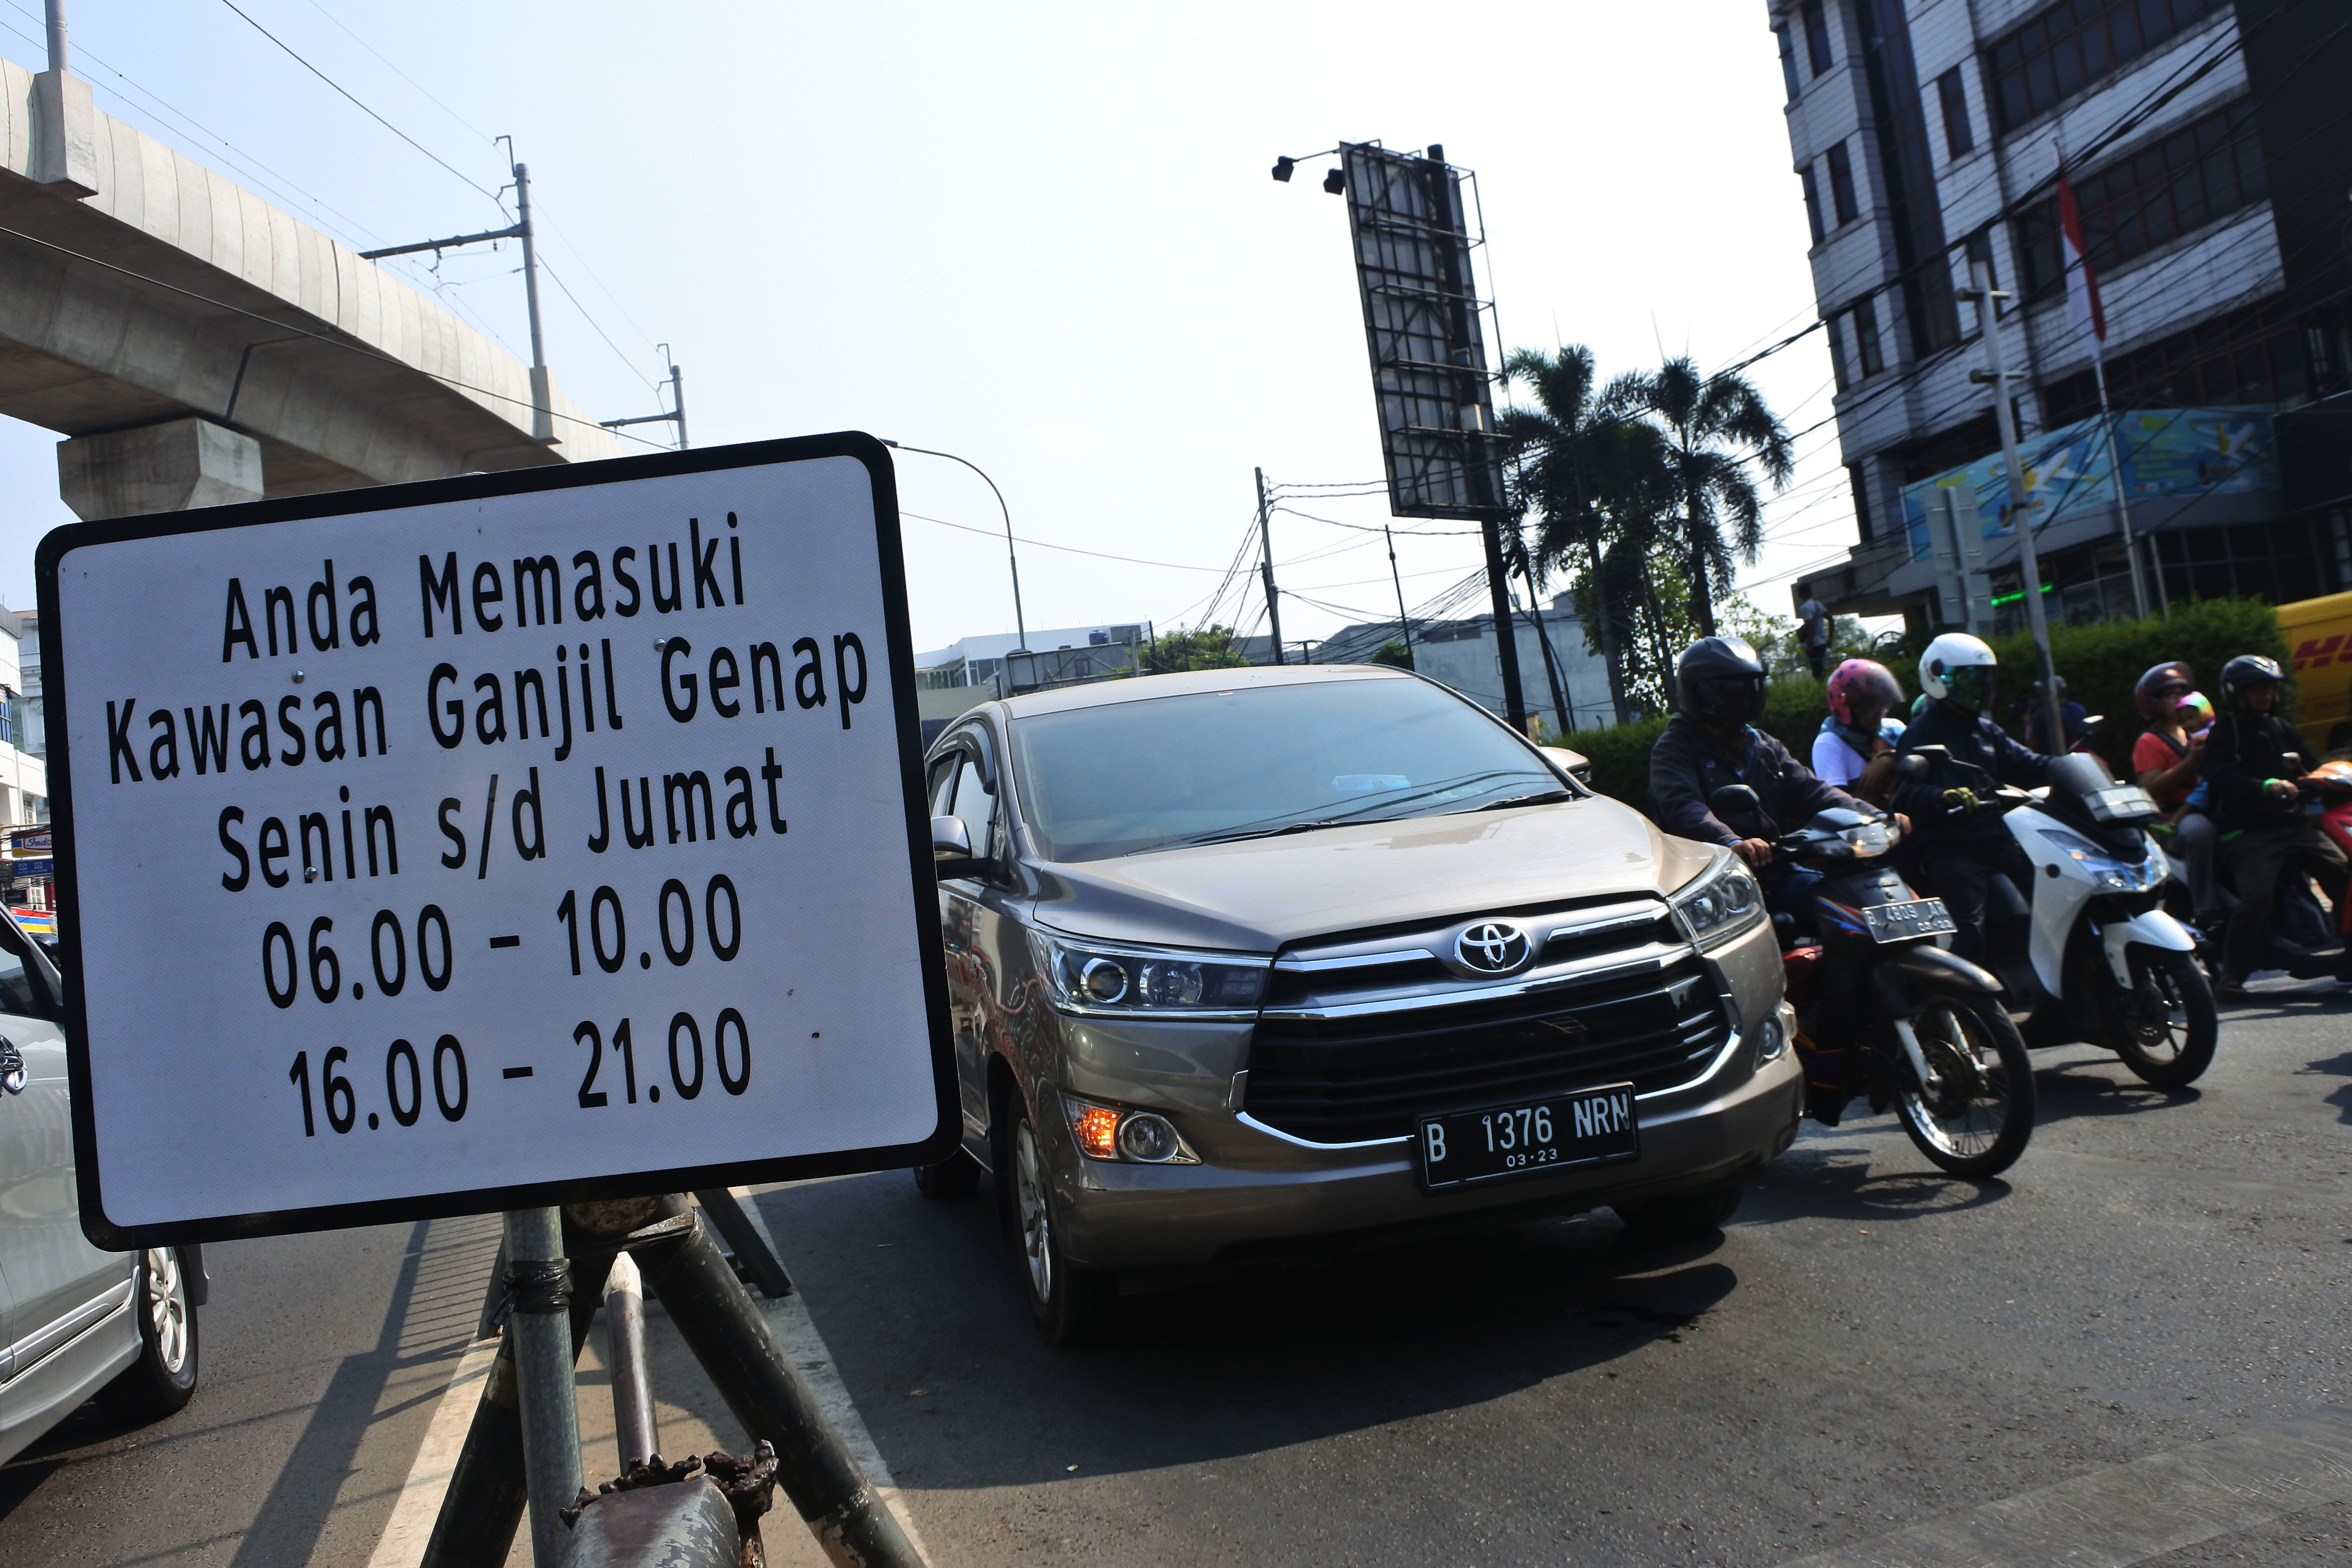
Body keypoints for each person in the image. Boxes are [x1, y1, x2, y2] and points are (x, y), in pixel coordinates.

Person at [1651, 637, 1891, 937]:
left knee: (1853, 907)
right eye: (1733, 689)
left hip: (1776, 870)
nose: (1747, 697)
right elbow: (1685, 807)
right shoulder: (1674, 749)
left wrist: (1876, 817)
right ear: (1701, 694)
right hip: (1714, 887)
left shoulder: (1763, 745)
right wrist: (1731, 842)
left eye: (1752, 686)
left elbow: (1814, 791)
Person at [1893, 632, 2054, 964]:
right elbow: (1905, 793)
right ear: (1937, 678)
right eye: (1970, 679)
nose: (1981, 687)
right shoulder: (1921, 732)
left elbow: (2028, 763)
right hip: (1952, 845)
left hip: (1999, 837)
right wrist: (1942, 796)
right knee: (1969, 930)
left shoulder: (1986, 731)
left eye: (1985, 679)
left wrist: (2069, 767)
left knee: (2058, 895)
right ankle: (1971, 1006)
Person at [2201, 653, 2351, 998]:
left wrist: (2331, 777)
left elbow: (2313, 768)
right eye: (2257, 688)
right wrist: (2265, 786)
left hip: (2295, 823)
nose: (2266, 695)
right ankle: (2231, 976)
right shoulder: (2226, 732)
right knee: (2256, 898)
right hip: (2250, 830)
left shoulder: (2280, 727)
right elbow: (2222, 778)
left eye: (2269, 687)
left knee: (2344, 873)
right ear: (2236, 692)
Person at [2130, 661, 2218, 924]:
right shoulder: (2149, 742)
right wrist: (2190, 762)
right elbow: (2153, 787)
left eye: (2182, 693)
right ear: (2153, 703)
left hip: (2210, 804)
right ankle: (2208, 908)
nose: (2179, 699)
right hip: (2174, 817)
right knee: (2200, 832)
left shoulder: (2192, 732)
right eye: (2171, 695)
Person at [1812, 658, 1906, 807]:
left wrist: (1889, 759)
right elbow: (1839, 809)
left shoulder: (1894, 728)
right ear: (1844, 707)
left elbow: (1929, 760)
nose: (1878, 714)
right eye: (1868, 707)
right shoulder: (1829, 742)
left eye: (1883, 704)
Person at [2022, 675, 2092, 753]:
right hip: (2078, 759)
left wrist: (2028, 723)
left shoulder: (2043, 713)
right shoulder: (2079, 709)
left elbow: (2033, 746)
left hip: (2055, 762)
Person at [1796, 594, 1834, 679]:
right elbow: (1831, 620)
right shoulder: (1818, 605)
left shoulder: (1805, 608)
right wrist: (1830, 638)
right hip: (1823, 643)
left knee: (1818, 674)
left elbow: (1811, 625)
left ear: (1799, 594)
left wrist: (1810, 645)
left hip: (1815, 646)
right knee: (1826, 670)